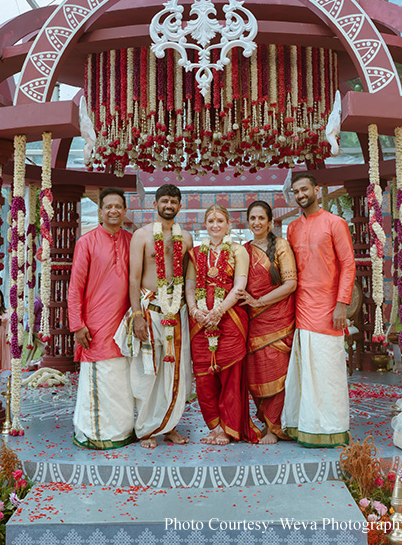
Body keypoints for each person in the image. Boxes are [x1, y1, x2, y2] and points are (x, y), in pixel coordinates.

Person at [281, 172, 356, 448]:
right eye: (296, 191)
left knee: (328, 371)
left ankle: (333, 427)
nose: (300, 195)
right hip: (300, 309)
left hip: (328, 311)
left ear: (315, 189)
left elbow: (348, 265)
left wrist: (341, 304)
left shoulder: (335, 223)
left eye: (304, 189)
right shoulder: (292, 228)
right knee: (304, 372)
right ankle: (307, 426)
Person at [185, 205, 261, 445]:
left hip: (230, 320)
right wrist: (196, 310)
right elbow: (189, 286)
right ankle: (215, 427)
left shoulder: (239, 250)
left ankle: (229, 429)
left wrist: (218, 310)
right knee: (204, 378)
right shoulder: (195, 253)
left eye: (220, 220)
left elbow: (240, 286)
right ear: (204, 225)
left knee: (230, 375)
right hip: (200, 324)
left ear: (229, 224)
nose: (215, 225)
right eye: (210, 221)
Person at [68, 188, 134, 449]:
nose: (114, 210)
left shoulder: (132, 241)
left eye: (118, 206)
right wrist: (77, 325)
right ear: (100, 211)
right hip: (94, 327)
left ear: (125, 211)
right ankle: (94, 433)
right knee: (100, 378)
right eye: (108, 206)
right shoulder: (87, 242)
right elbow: (75, 288)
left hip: (124, 326)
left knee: (121, 381)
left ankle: (121, 431)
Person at [128, 184, 193, 449]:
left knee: (177, 371)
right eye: (164, 200)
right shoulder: (141, 236)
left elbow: (188, 278)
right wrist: (136, 316)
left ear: (179, 206)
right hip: (149, 311)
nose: (169, 205)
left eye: (174, 201)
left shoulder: (186, 238)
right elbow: (133, 278)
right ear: (155, 204)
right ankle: (146, 429)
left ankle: (170, 427)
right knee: (149, 372)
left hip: (177, 312)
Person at [238, 200, 297, 444]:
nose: (257, 222)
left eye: (262, 218)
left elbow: (290, 284)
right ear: (248, 222)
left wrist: (259, 301)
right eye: (253, 218)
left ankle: (275, 427)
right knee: (256, 374)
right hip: (253, 322)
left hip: (277, 319)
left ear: (270, 222)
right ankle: (266, 423)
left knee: (277, 371)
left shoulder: (281, 246)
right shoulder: (244, 249)